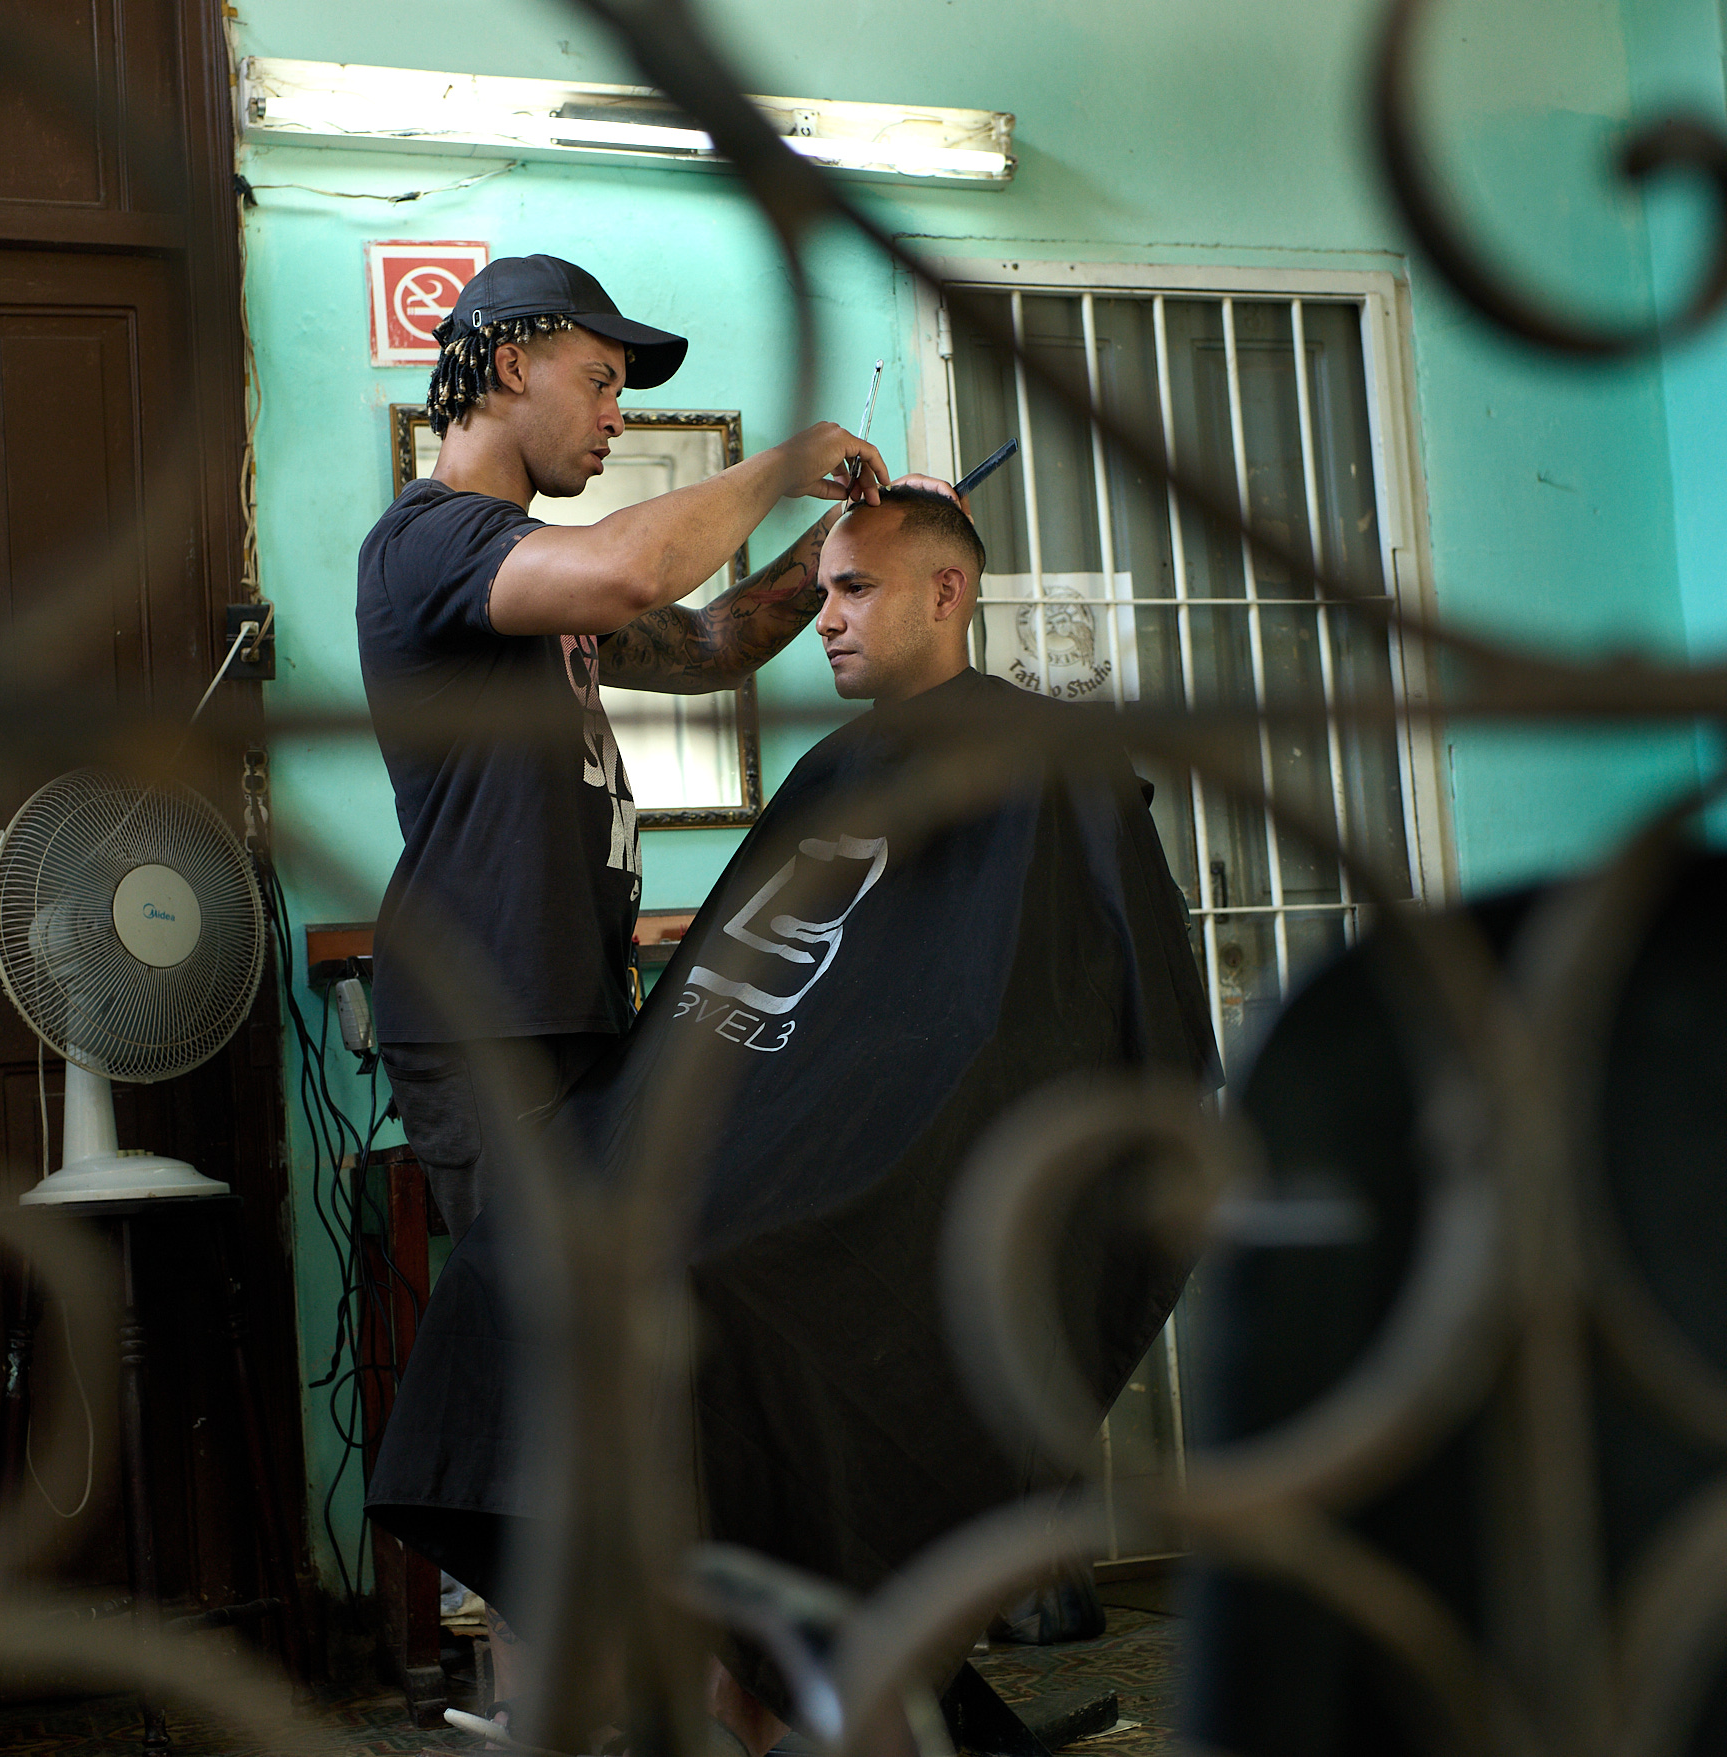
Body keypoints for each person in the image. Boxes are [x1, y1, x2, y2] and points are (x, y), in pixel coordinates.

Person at [369, 483, 1219, 1754]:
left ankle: (777, 1679)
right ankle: (724, 1681)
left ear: (948, 591)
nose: (823, 618)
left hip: (901, 1179)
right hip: (770, 1157)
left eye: (853, 589)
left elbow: (1076, 1018)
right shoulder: (838, 767)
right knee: (519, 1259)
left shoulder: (1049, 762)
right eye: (819, 591)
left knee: (723, 1307)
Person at [358, 252, 897, 1243]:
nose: (617, 417)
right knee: (539, 1342)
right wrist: (775, 467)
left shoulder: (526, 574)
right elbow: (630, 570)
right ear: (512, 365)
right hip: (491, 1018)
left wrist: (834, 546)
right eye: (599, 382)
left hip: (572, 1001)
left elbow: (709, 643)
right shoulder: (428, 539)